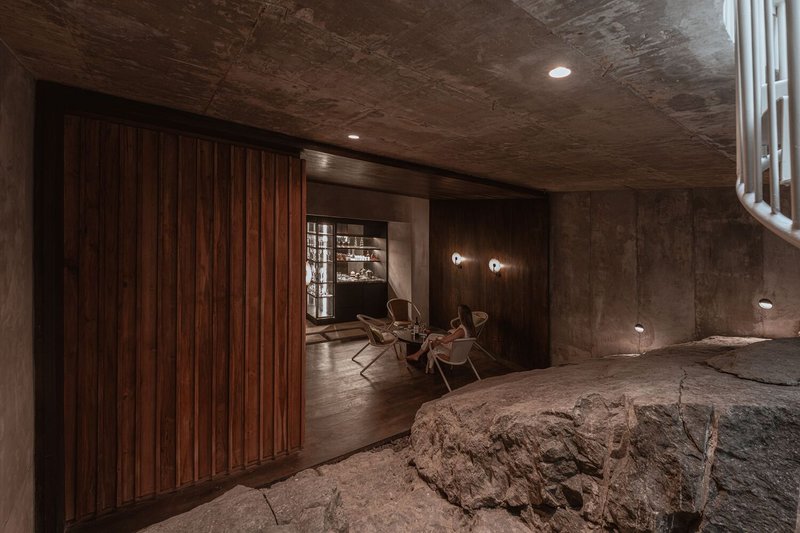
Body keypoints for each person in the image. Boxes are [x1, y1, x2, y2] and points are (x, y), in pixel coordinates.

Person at [406, 304, 476, 373]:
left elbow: (446, 341)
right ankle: (426, 363)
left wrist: (438, 339)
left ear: (462, 315)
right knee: (433, 341)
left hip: (454, 352)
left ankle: (417, 355)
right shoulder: (470, 328)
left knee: (432, 338)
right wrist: (441, 338)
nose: (457, 314)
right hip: (460, 352)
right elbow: (452, 337)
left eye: (458, 312)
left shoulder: (461, 330)